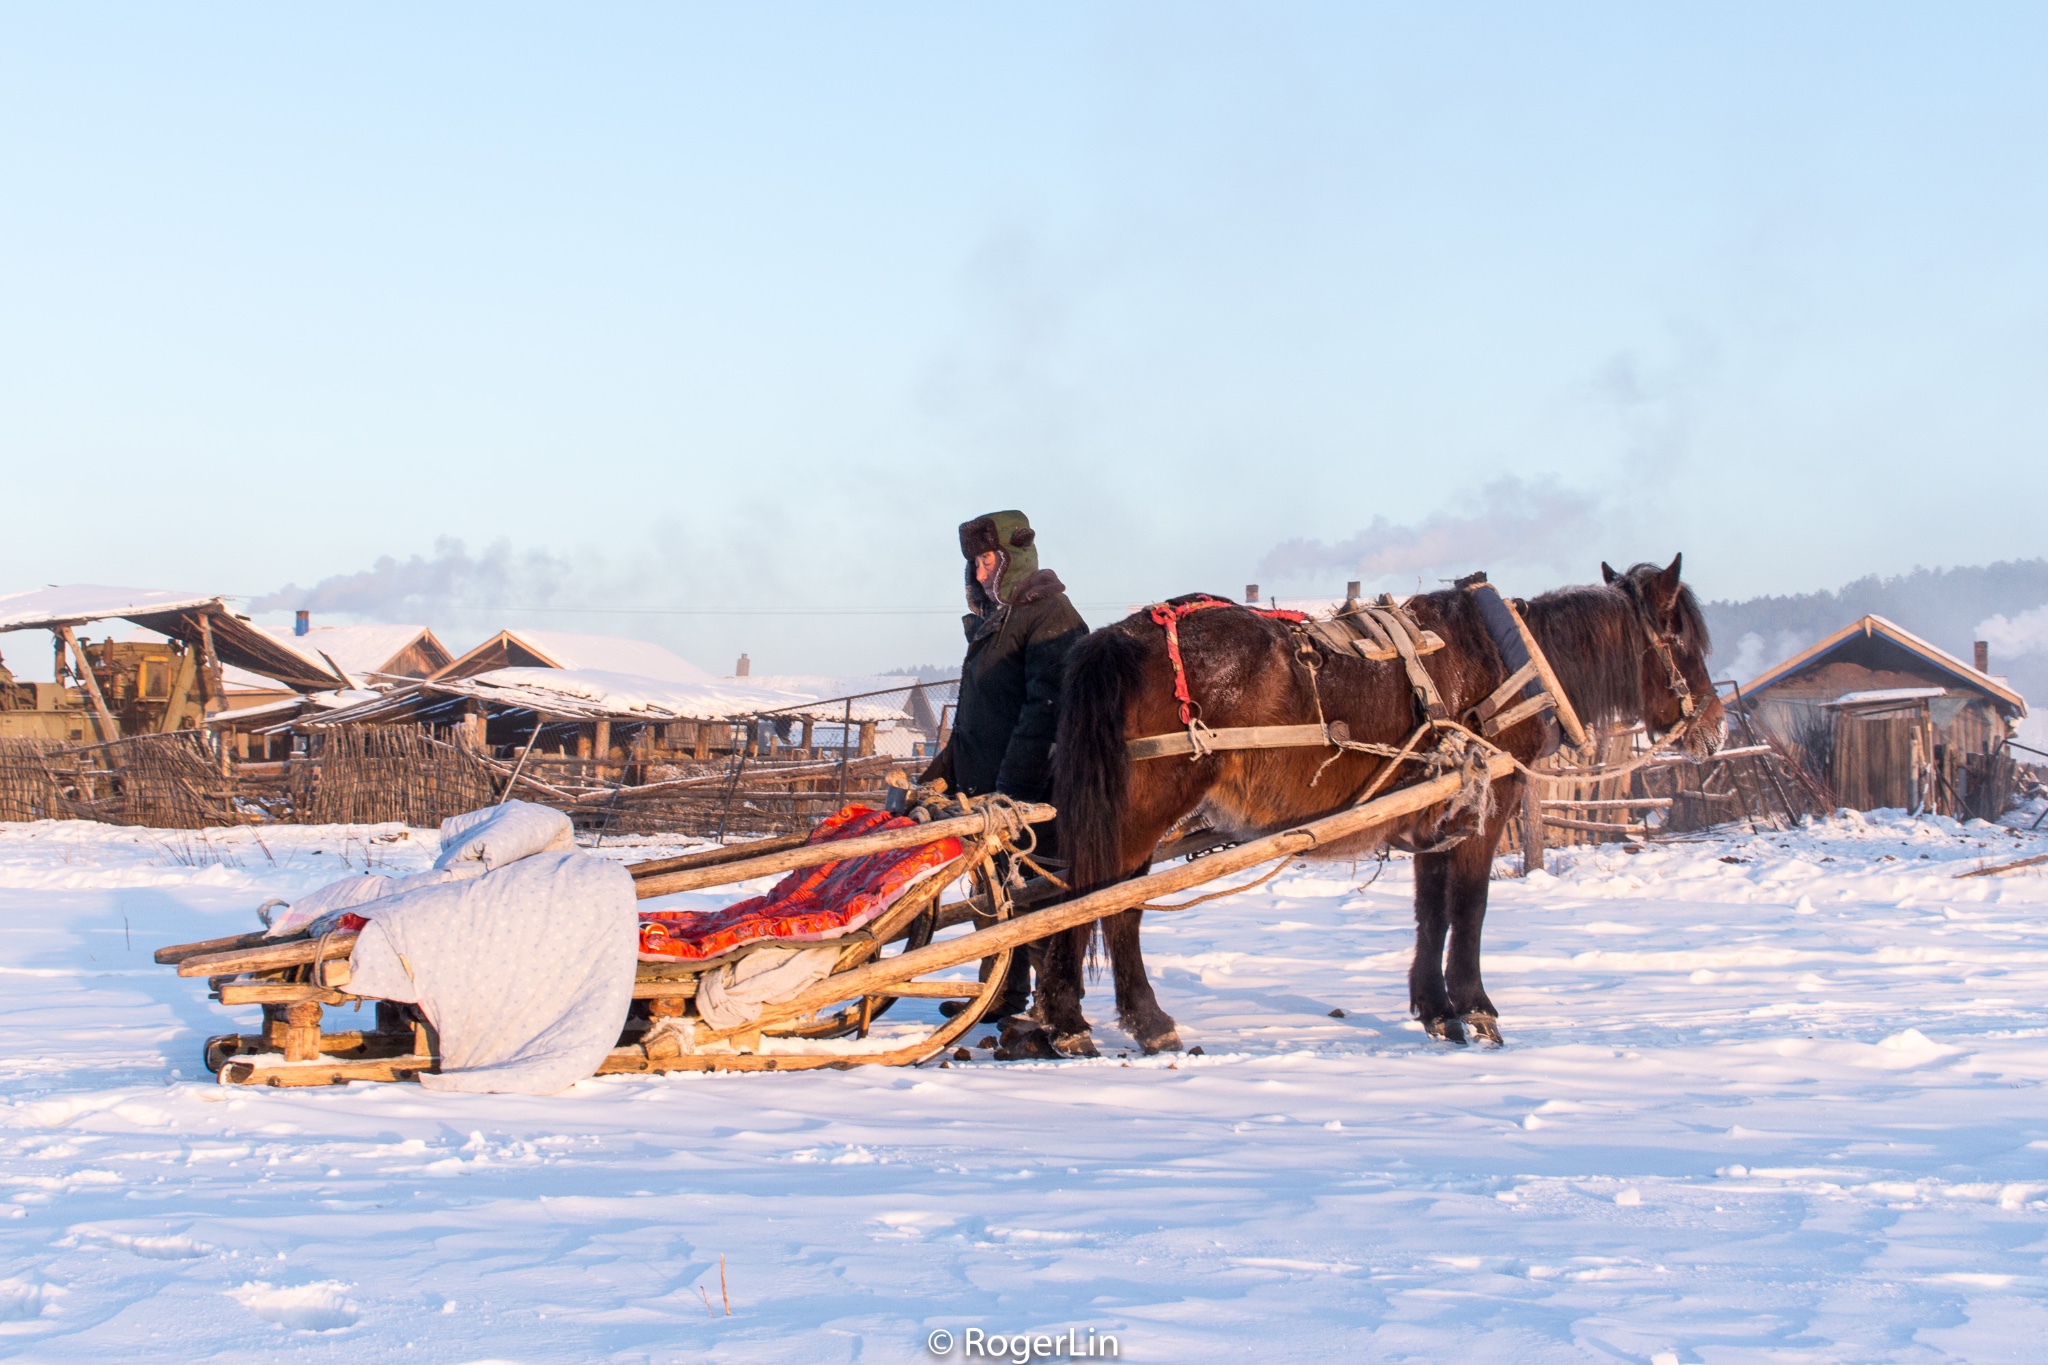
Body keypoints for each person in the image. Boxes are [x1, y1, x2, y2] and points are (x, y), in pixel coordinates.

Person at [921, 510, 1087, 1023]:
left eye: (987, 559)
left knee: (1035, 899)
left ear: (1014, 559)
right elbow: (978, 717)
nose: (978, 573)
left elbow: (1047, 713)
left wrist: (1011, 791)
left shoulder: (1051, 616)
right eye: (973, 562)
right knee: (991, 894)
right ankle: (1000, 991)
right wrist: (940, 774)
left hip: (1034, 795)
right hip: (986, 793)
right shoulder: (996, 622)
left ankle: (1055, 1005)